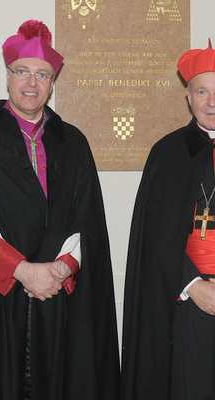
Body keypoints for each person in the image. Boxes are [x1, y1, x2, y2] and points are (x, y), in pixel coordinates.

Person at [0, 19, 119, 400]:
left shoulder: (73, 143)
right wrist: (22, 270)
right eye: (22, 72)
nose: (31, 83)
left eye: (42, 75)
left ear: (52, 82)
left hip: (59, 298)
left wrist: (62, 268)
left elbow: (88, 223)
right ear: (8, 76)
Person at [121, 40, 215, 400]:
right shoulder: (168, 153)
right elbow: (155, 238)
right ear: (188, 97)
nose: (211, 102)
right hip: (190, 302)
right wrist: (193, 285)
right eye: (202, 91)